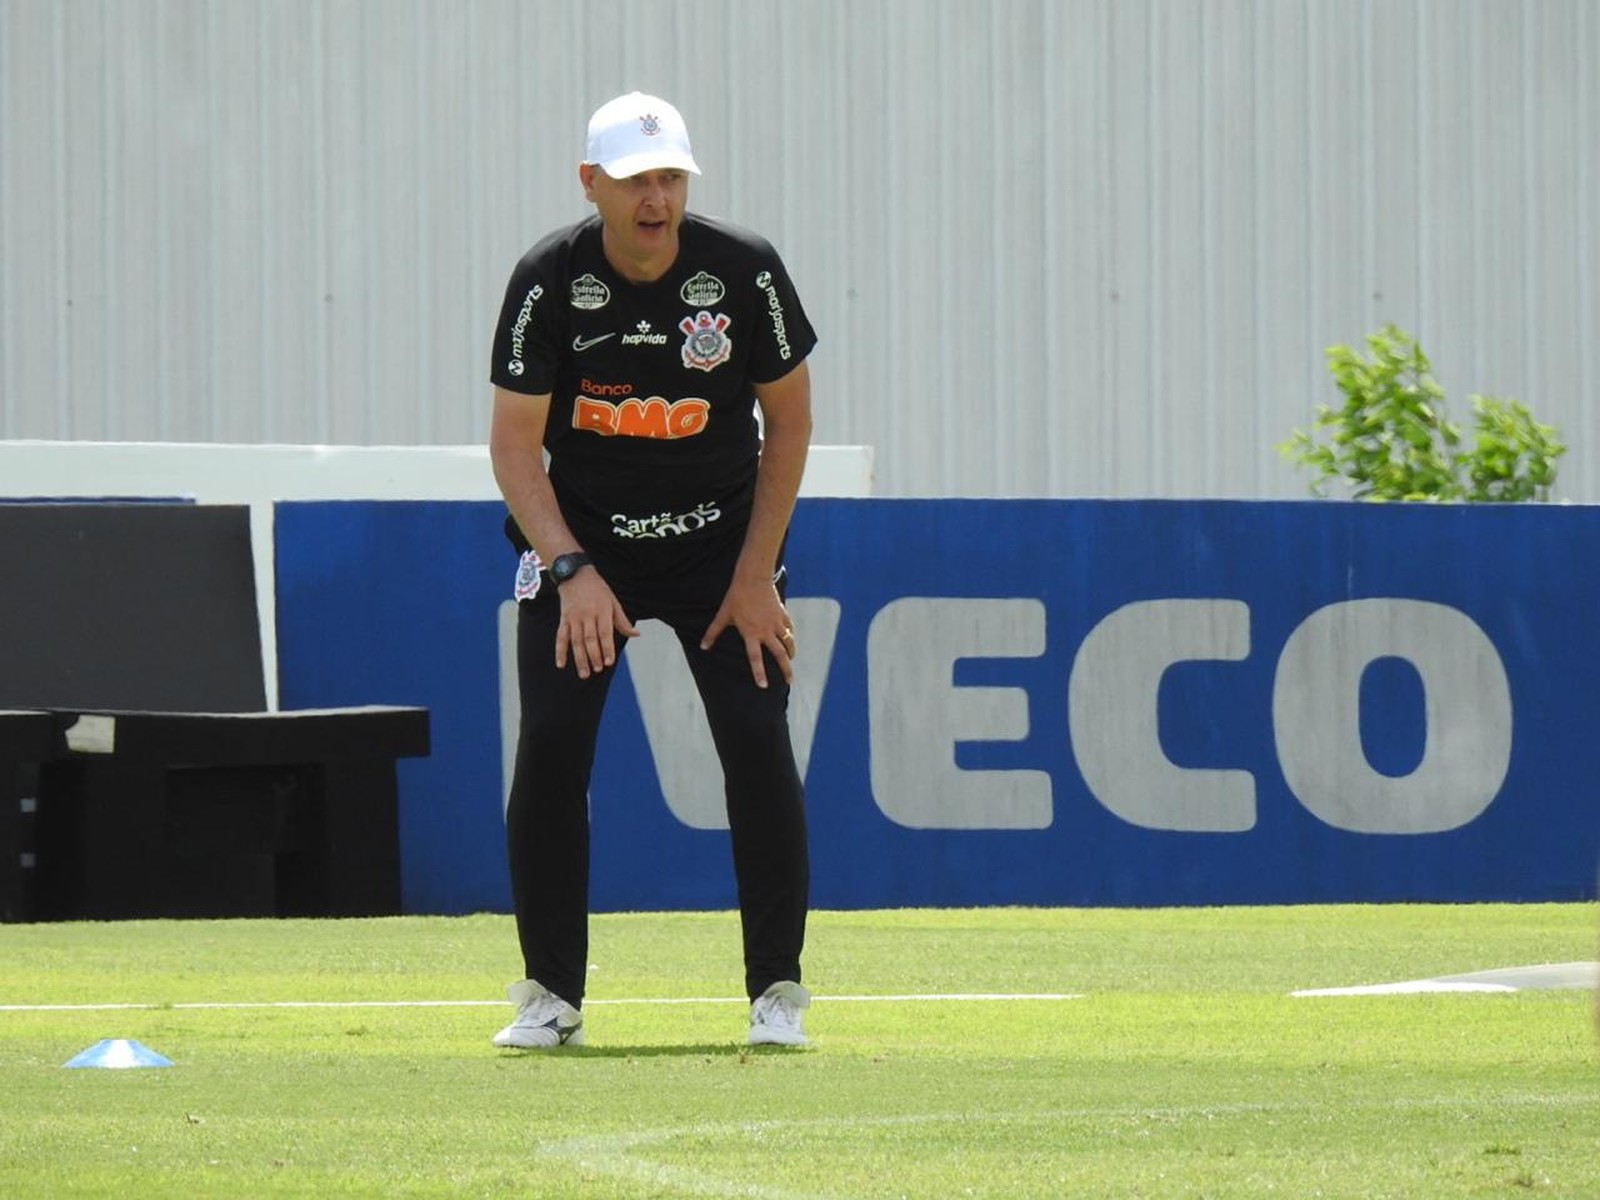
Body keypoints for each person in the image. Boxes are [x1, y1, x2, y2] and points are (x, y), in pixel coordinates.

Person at [486, 92, 817, 1049]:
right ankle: (550, 996)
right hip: (588, 542)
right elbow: (514, 450)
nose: (656, 199)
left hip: (722, 549)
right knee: (551, 747)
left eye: (670, 177)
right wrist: (571, 570)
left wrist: (756, 576)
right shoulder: (547, 281)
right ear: (592, 184)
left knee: (757, 738)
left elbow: (788, 424)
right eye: (635, 180)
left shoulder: (744, 271)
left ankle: (777, 995)